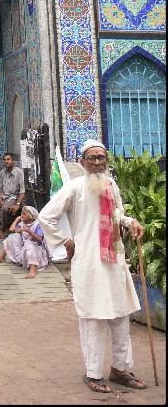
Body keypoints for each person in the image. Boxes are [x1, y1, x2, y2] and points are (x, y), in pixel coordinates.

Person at [38, 139, 147, 394]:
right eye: (92, 158)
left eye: (101, 158)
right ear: (82, 162)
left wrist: (131, 222)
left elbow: (117, 214)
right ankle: (93, 373)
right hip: (89, 262)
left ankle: (120, 369)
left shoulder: (111, 185)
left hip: (114, 259)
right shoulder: (74, 187)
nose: (97, 162)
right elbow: (46, 216)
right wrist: (66, 241)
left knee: (120, 315)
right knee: (94, 318)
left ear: (106, 161)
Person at [0, 205, 52, 278]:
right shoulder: (22, 224)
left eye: (24, 214)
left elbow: (39, 240)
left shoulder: (37, 225)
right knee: (12, 237)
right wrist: (17, 220)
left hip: (37, 250)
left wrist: (28, 231)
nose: (21, 215)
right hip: (26, 248)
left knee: (29, 244)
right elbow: (11, 229)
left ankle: (33, 269)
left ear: (32, 216)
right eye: (21, 214)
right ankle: (1, 257)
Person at [0, 153, 25, 239]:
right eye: (5, 160)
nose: (6, 161)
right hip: (3, 197)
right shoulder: (2, 173)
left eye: (8, 159)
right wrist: (0, 200)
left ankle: (4, 229)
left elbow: (22, 191)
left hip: (14, 198)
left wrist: (18, 204)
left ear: (13, 161)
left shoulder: (19, 172)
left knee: (4, 209)